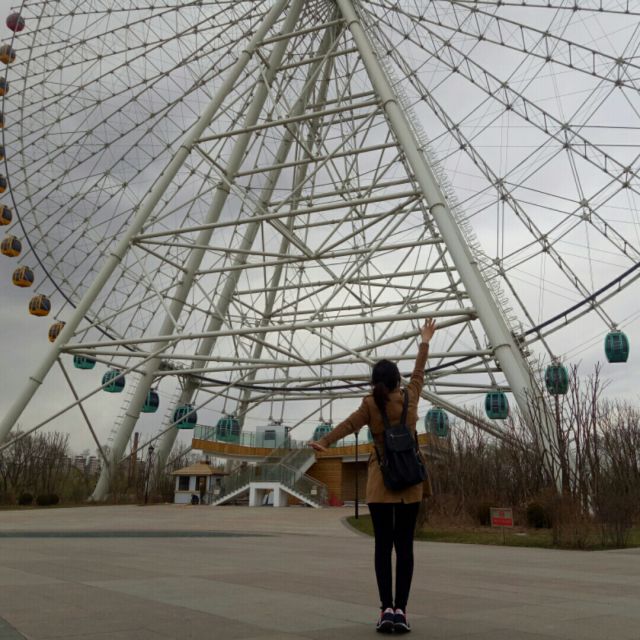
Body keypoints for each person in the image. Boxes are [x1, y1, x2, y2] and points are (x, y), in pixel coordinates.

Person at [310, 318, 436, 634]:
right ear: (397, 380)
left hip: (382, 483)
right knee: (405, 548)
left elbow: (348, 424)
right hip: (411, 482)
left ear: (374, 382)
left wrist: (325, 442)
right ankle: (402, 611)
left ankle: (385, 610)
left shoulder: (370, 404)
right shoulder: (410, 397)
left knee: (382, 547)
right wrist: (424, 340)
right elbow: (419, 373)